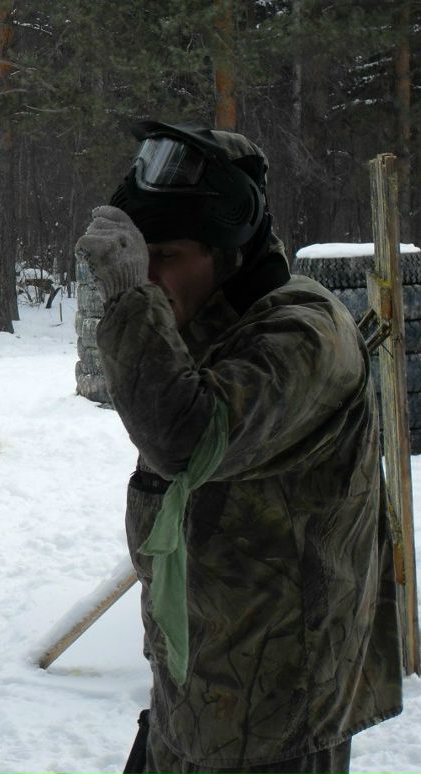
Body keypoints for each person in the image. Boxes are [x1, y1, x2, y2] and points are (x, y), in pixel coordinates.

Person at [76, 121, 402, 774]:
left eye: (165, 255)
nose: (150, 276)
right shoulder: (213, 326)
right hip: (197, 704)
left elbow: (184, 440)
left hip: (278, 727)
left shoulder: (305, 337)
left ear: (226, 252)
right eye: (143, 258)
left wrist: (129, 298)